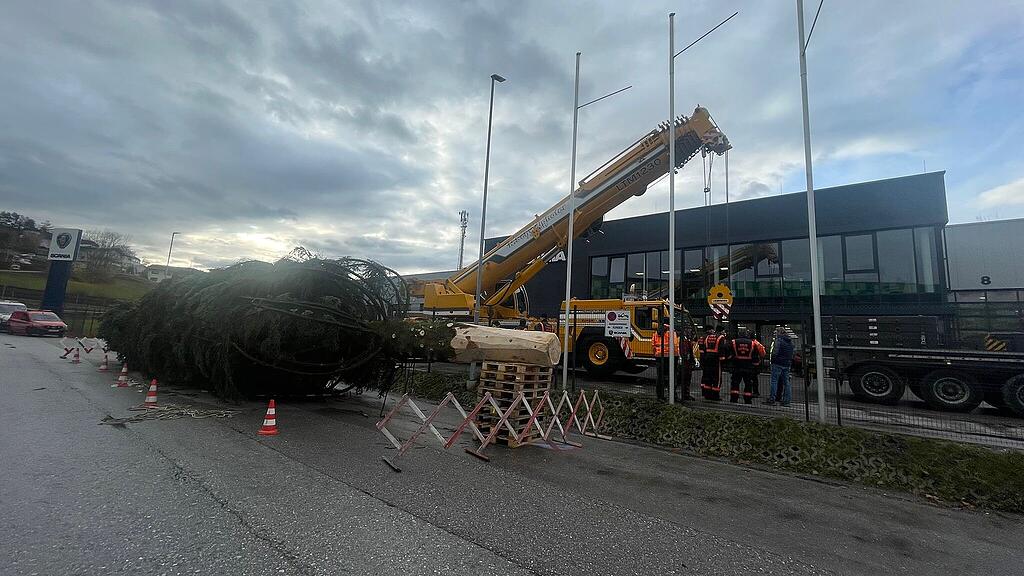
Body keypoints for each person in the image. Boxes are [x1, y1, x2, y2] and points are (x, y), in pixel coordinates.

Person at [728, 330, 763, 404]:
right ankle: (747, 400)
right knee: (748, 384)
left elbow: (727, 350)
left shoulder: (733, 342)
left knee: (735, 383)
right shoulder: (752, 343)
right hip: (748, 367)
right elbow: (755, 356)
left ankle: (734, 399)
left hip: (736, 366)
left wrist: (730, 360)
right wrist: (755, 366)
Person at [767, 327, 795, 406]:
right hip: (786, 364)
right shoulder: (790, 342)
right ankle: (786, 401)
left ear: (779, 333)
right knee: (786, 382)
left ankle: (772, 399)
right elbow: (792, 353)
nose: (775, 334)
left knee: (774, 381)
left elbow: (775, 352)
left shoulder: (778, 341)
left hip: (777, 363)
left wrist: (772, 360)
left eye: (776, 333)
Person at [652, 321, 679, 402]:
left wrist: (656, 354)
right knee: (672, 377)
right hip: (671, 357)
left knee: (660, 377)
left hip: (659, 357)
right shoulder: (672, 332)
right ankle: (673, 396)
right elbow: (675, 344)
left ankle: (660, 396)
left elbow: (653, 345)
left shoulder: (656, 333)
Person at [698, 327, 726, 400]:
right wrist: (723, 360)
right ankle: (715, 396)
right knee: (717, 378)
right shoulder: (721, 337)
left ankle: (707, 394)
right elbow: (722, 348)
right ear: (721, 331)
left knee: (708, 377)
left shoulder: (708, 336)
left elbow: (704, 348)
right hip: (716, 360)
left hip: (707, 358)